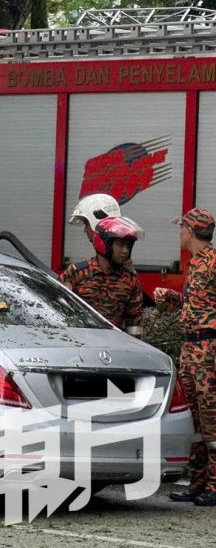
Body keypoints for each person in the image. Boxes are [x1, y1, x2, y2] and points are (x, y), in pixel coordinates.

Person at [155, 208, 216, 507]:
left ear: (190, 231)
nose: (178, 232)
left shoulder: (214, 263)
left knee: (212, 420)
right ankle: (198, 482)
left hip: (208, 352)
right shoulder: (196, 264)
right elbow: (201, 306)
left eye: (181, 228)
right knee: (194, 420)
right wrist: (175, 299)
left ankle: (215, 487)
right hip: (191, 349)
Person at [59, 216, 143, 337]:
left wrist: (134, 348)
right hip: (80, 343)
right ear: (104, 244)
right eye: (120, 245)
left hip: (113, 346)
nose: (125, 251)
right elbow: (58, 309)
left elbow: (135, 321)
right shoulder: (77, 273)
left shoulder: (130, 279)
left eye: (128, 246)